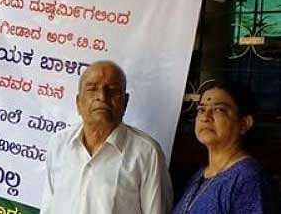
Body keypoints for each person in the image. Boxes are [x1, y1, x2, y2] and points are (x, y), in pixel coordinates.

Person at [41, 60, 173, 214]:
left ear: (125, 102)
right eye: (92, 89)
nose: (102, 97)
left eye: (112, 90)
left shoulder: (147, 153)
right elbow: (48, 206)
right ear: (78, 102)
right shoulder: (59, 144)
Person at [172, 81, 278, 213]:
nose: (205, 117)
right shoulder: (200, 174)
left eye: (219, 110)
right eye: (201, 109)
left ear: (245, 123)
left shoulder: (247, 179)